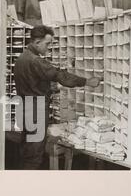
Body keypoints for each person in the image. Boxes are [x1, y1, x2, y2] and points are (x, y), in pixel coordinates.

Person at [14, 25, 101, 169]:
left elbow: (31, 84)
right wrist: (87, 81)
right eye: (47, 44)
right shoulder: (36, 61)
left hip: (24, 108)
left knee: (27, 150)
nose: (48, 48)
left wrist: (49, 88)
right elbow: (61, 76)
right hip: (37, 112)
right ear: (37, 42)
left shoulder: (21, 59)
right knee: (34, 155)